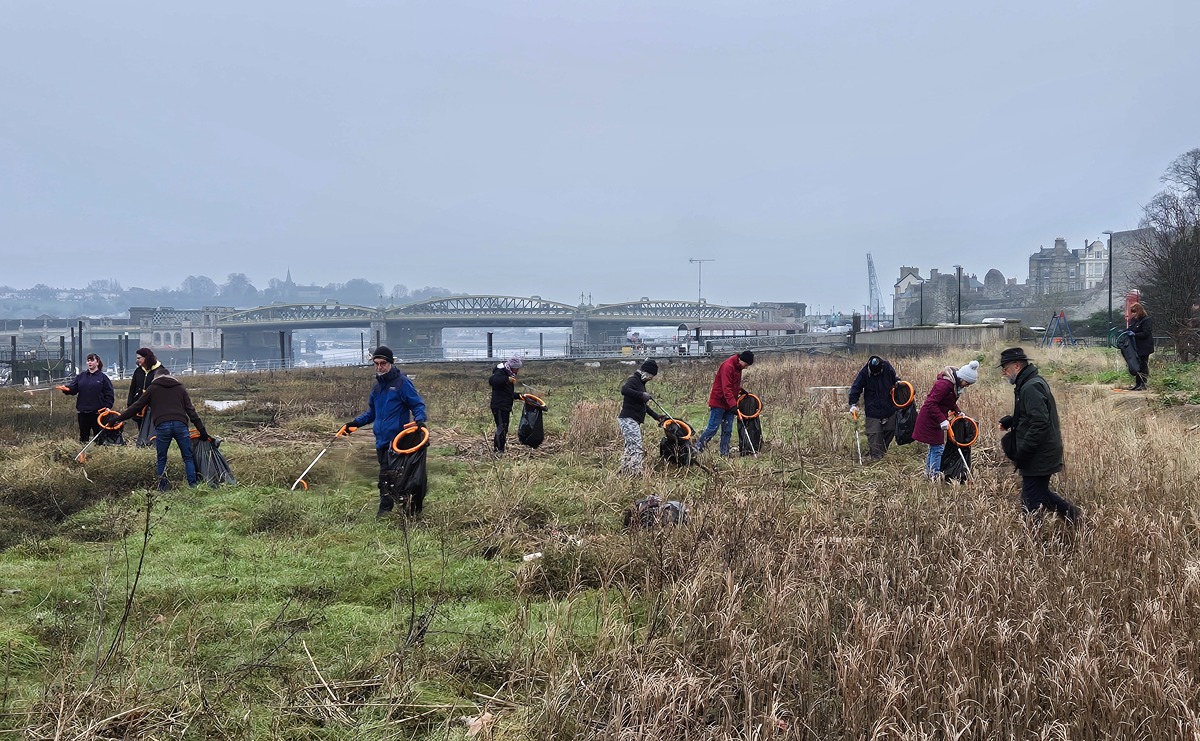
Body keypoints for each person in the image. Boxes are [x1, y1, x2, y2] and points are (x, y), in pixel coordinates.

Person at [340, 346, 428, 516]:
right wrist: (354, 424)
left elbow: (417, 404)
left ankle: (392, 511)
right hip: (381, 441)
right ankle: (390, 510)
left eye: (383, 363)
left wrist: (419, 420)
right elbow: (372, 413)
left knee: (394, 478)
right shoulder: (377, 389)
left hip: (398, 442)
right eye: (376, 364)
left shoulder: (402, 383)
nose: (380, 367)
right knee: (386, 477)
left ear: (390, 363)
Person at [997, 347, 1080, 523]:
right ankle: (1074, 518)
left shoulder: (1031, 387)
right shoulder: (1029, 383)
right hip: (1042, 451)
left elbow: (1040, 423)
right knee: (1040, 493)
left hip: (1039, 453)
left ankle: (1034, 538)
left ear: (1017, 366)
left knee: (1030, 499)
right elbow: (1034, 415)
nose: (1004, 374)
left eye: (1006, 369)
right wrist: (1012, 421)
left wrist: (1024, 450)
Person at [110, 371, 209, 490]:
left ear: (156, 378)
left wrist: (117, 419)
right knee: (188, 457)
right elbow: (190, 410)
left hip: (162, 425)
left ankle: (162, 488)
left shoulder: (152, 388)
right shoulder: (180, 388)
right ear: (171, 376)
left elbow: (136, 407)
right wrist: (201, 430)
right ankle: (193, 486)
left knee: (162, 458)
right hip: (180, 424)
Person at [913, 360, 978, 479]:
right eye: (967, 383)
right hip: (929, 419)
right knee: (937, 448)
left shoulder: (954, 386)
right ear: (962, 378)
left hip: (936, 418)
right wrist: (942, 420)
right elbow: (930, 403)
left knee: (935, 447)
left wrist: (958, 411)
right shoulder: (944, 385)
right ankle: (934, 476)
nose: (967, 386)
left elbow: (949, 402)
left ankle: (929, 474)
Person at [694, 351, 755, 457]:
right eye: (746, 365)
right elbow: (726, 388)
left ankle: (724, 453)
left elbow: (732, 385)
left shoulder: (738, 367)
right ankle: (697, 448)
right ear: (741, 360)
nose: (746, 368)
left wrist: (740, 390)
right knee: (712, 428)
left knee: (727, 430)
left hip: (729, 403)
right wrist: (733, 405)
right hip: (719, 402)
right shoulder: (728, 366)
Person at [617, 359, 667, 475]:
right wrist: (641, 395)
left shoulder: (641, 384)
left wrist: (656, 416)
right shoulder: (634, 380)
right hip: (628, 419)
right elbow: (624, 390)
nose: (651, 378)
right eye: (651, 375)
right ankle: (635, 472)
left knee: (630, 447)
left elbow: (642, 404)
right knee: (637, 447)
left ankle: (624, 470)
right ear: (646, 372)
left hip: (632, 420)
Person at [847, 355, 900, 461]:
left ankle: (882, 452)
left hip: (888, 407)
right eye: (873, 373)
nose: (875, 374)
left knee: (891, 430)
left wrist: (899, 384)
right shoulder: (864, 372)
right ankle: (876, 458)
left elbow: (895, 380)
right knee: (874, 435)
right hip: (873, 410)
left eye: (877, 373)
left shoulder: (887, 367)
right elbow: (856, 387)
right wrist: (853, 404)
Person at [59, 353, 116, 444]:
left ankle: (98, 455)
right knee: (83, 437)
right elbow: (73, 389)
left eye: (92, 360)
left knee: (99, 437)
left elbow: (109, 394)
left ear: (97, 362)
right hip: (83, 412)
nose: (89, 362)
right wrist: (66, 389)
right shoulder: (81, 376)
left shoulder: (103, 378)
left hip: (98, 413)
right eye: (88, 360)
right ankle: (84, 455)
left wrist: (107, 406)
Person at [128, 348, 169, 445]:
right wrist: (130, 403)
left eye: (139, 358)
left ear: (146, 358)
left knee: (153, 427)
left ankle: (153, 445)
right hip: (139, 405)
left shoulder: (160, 370)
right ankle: (142, 443)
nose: (137, 360)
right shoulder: (138, 371)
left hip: (154, 406)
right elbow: (132, 388)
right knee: (140, 426)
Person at [488, 355, 523, 453]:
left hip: (505, 406)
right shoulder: (500, 372)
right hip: (499, 406)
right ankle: (498, 451)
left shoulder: (508, 373)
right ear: (511, 367)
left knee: (504, 428)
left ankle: (499, 449)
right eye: (516, 369)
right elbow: (492, 381)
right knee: (501, 428)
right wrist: (507, 379)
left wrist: (519, 396)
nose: (517, 371)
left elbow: (507, 393)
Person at [1126, 302, 1154, 390]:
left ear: (1139, 311)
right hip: (1136, 347)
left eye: (1134, 312)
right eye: (1132, 312)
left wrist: (1134, 334)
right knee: (1137, 365)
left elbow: (1146, 333)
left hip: (1145, 347)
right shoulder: (1134, 320)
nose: (1133, 314)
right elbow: (1129, 329)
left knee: (1143, 365)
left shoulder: (1146, 320)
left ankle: (1143, 384)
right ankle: (1137, 384)